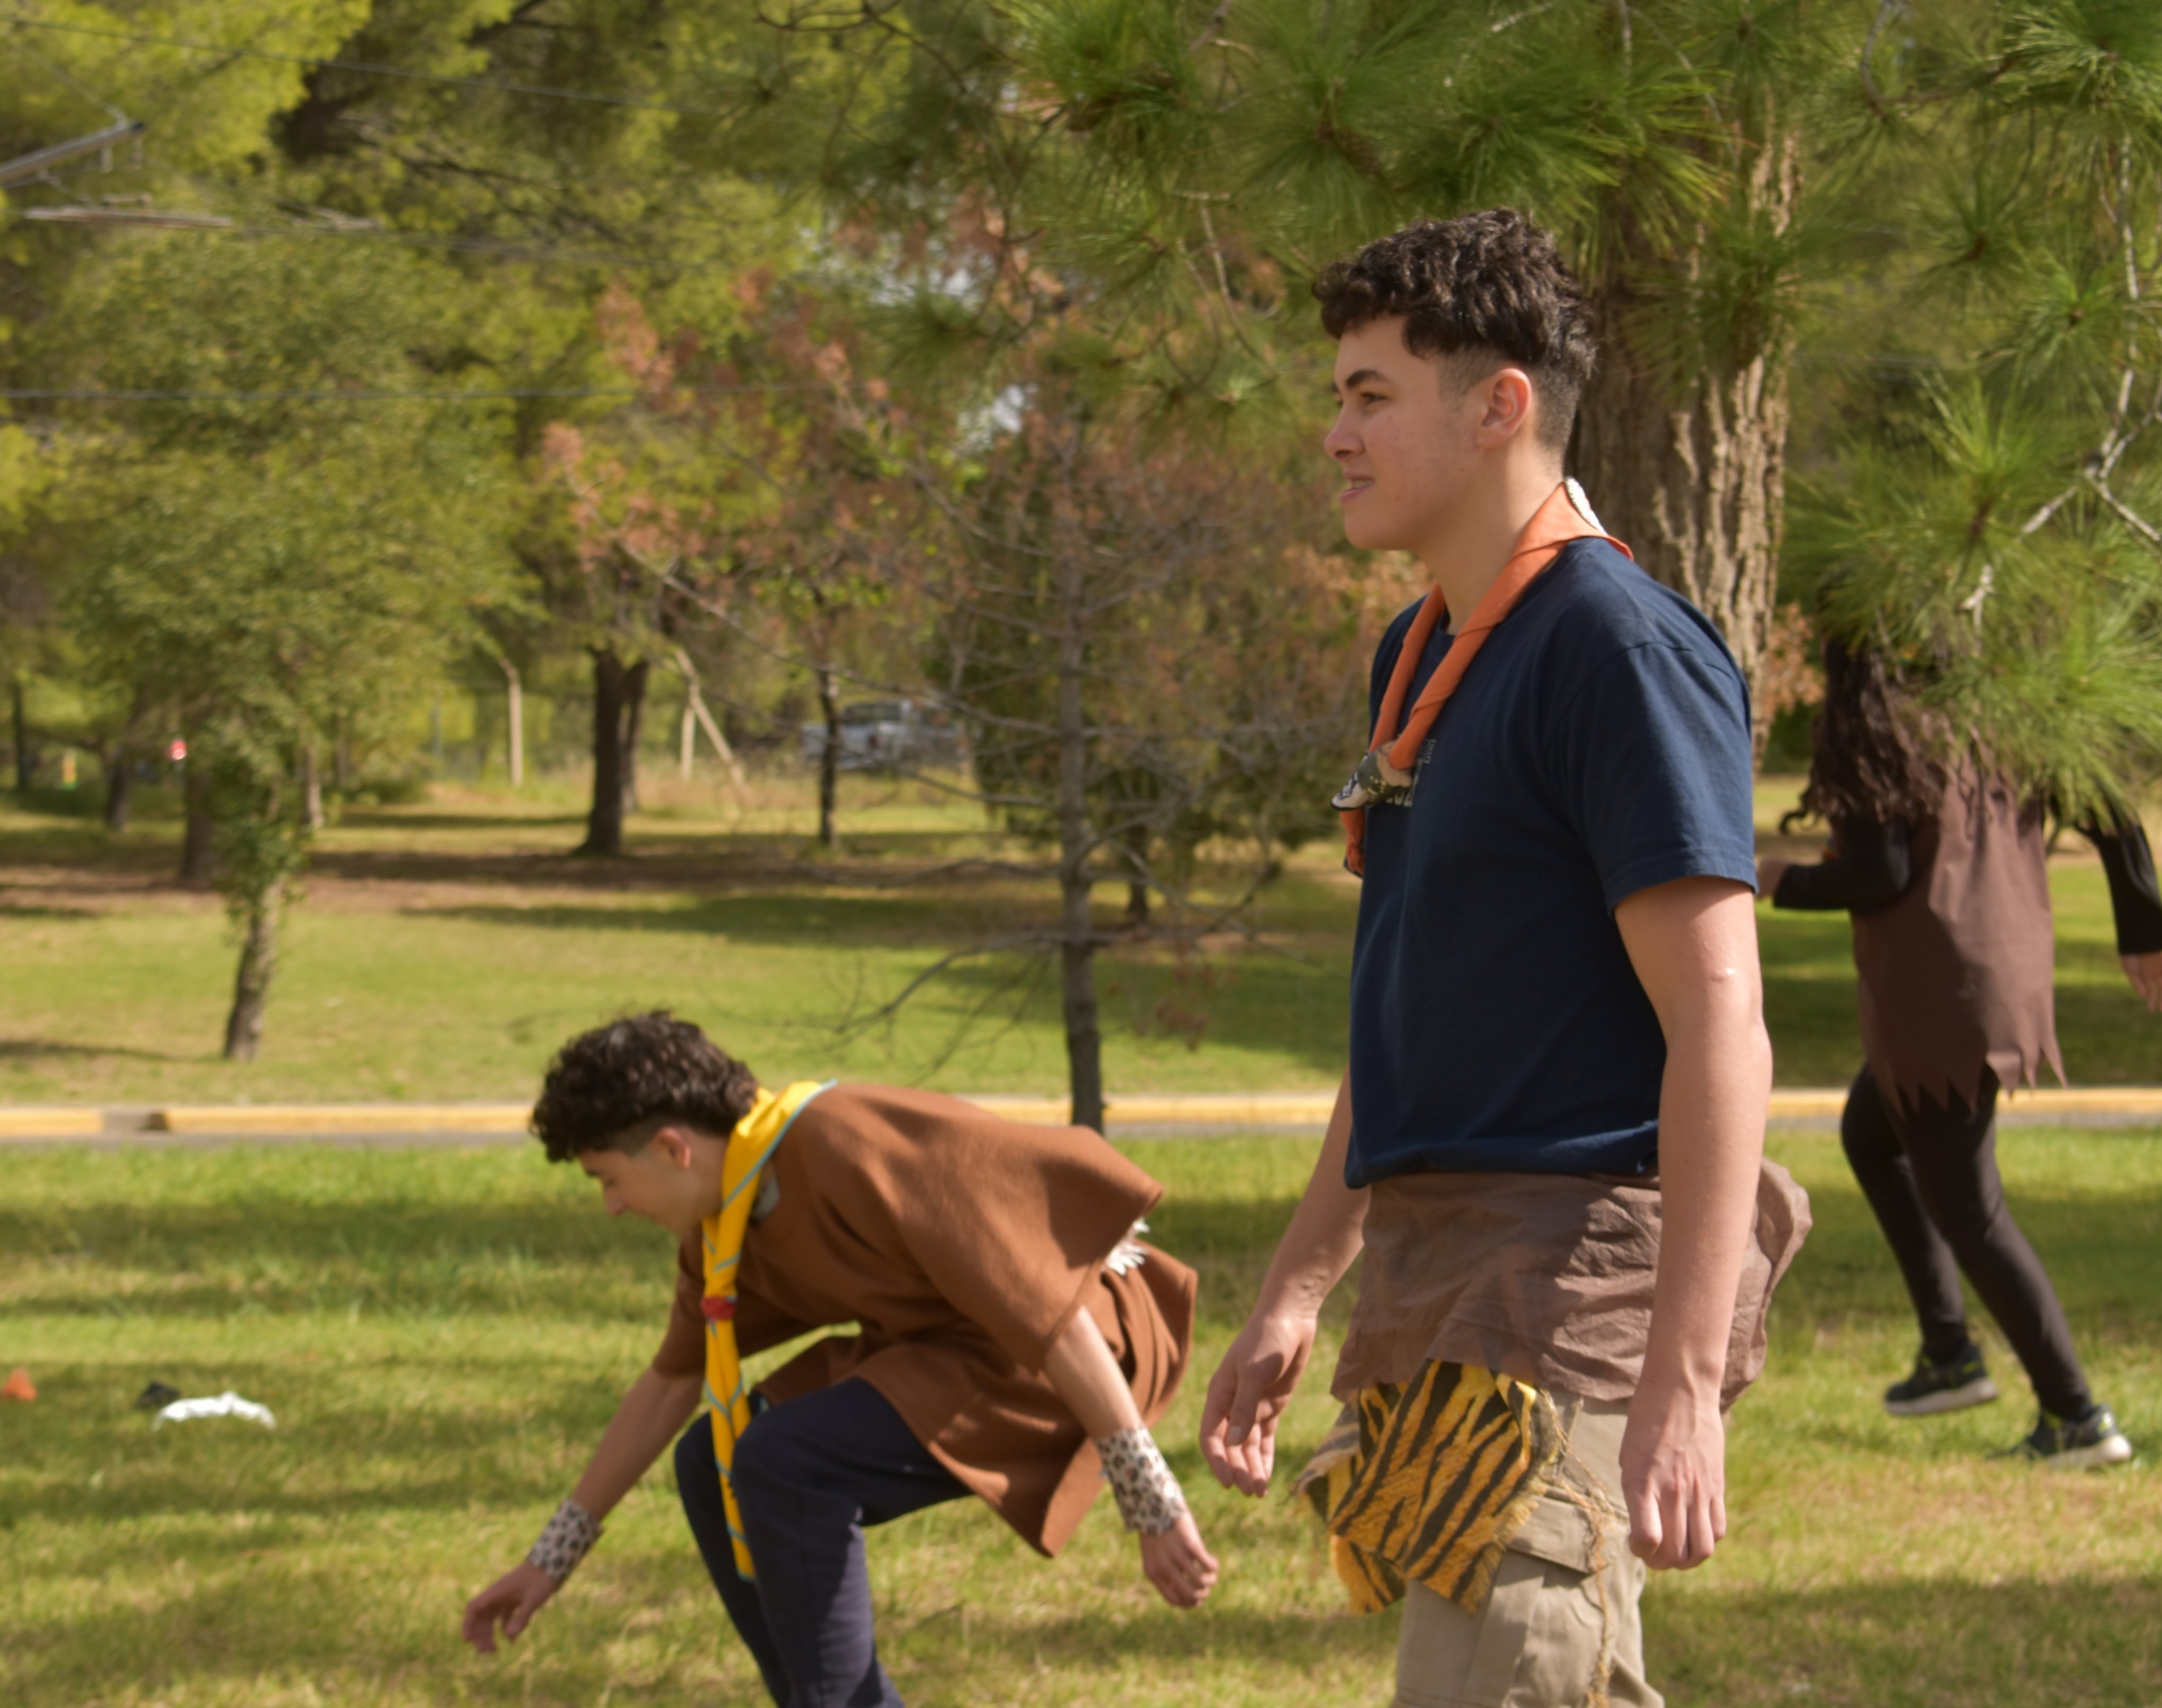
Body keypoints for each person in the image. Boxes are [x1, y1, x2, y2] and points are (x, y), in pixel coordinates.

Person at [1198, 209, 1809, 1708]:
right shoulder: (1419, 653)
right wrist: (1294, 1289)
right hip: (1445, 1279)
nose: (1333, 432)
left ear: (1501, 405)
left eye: (1369, 394)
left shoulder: (1617, 647)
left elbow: (1722, 1019)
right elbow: (1413, 1011)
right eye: (1336, 392)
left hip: (1580, 1283)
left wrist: (1676, 1385)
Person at [459, 1011, 1215, 1706]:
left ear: (670, 1148)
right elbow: (672, 1380)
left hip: (1073, 1342)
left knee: (787, 1459)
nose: (613, 1207)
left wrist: (1150, 1497)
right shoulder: (723, 1227)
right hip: (943, 1350)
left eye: (609, 1180)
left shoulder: (847, 1139)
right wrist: (550, 1559)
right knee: (711, 1459)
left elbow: (1046, 1307)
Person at [1758, 641, 2159, 1467]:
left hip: (1938, 995)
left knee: (1974, 1211)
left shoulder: (1878, 721)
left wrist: (1772, 877)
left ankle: (2077, 1416)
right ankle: (1949, 1354)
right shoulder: (1997, 703)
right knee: (1869, 1135)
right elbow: (2109, 801)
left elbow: (1877, 871)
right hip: (1997, 971)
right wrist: (2143, 919)